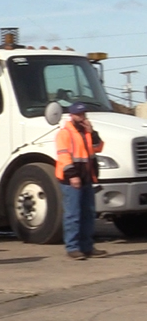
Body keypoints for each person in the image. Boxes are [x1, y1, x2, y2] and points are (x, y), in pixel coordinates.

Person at [56, 101, 107, 260]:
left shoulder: (86, 132)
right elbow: (63, 156)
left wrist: (92, 132)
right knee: (73, 214)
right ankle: (72, 248)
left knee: (88, 214)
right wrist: (73, 176)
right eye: (78, 114)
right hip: (72, 180)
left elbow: (98, 147)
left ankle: (87, 247)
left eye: (83, 114)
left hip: (87, 178)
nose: (81, 117)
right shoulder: (65, 133)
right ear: (71, 116)